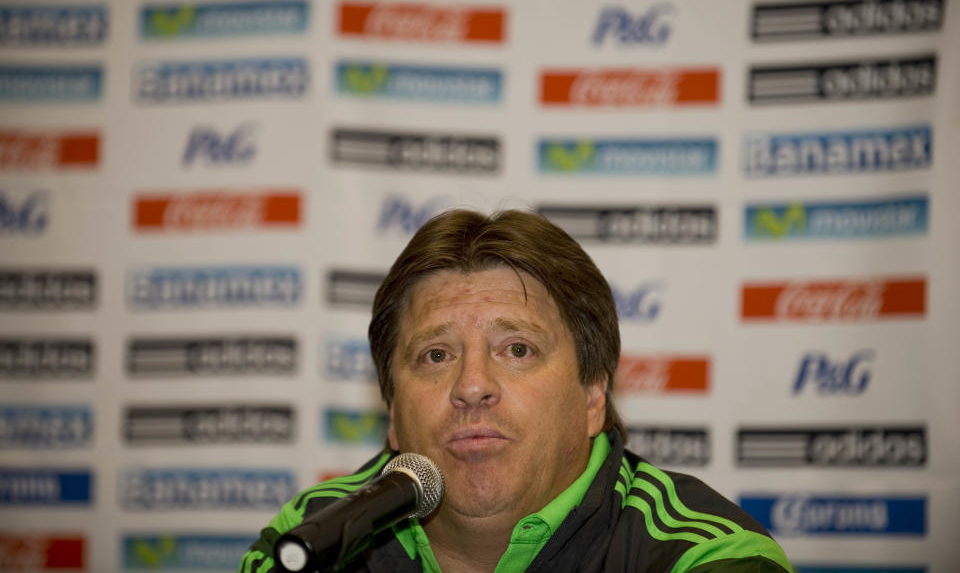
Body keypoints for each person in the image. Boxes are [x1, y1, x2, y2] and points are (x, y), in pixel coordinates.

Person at [239, 209, 793, 573]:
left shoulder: (704, 557)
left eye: (517, 350)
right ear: (391, 410)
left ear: (593, 394)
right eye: (436, 355)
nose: (472, 386)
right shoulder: (312, 540)